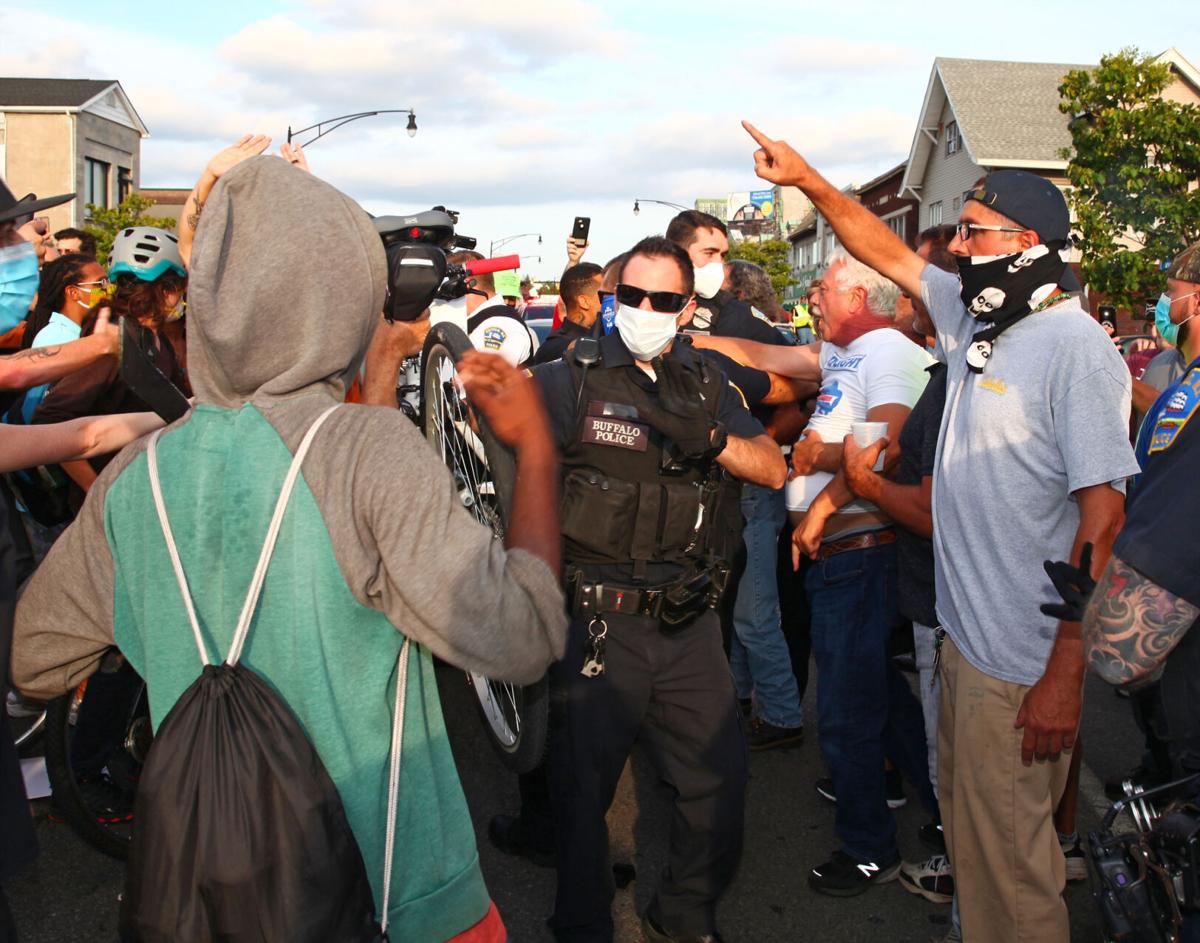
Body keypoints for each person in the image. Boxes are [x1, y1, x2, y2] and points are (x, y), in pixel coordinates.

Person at [13, 153, 568, 941]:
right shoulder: (366, 452)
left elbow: (36, 656)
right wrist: (535, 452)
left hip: (212, 895)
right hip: (397, 890)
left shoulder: (139, 476)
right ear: (342, 297)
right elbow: (520, 636)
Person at [740, 120, 1137, 941]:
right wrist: (809, 181)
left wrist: (1065, 668)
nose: (956, 246)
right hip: (965, 645)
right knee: (978, 852)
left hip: (1022, 666)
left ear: (1028, 245)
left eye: (974, 232)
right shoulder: (975, 319)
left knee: (1016, 880)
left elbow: (1104, 514)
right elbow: (884, 251)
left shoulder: (1076, 346)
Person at [529, 235, 785, 943]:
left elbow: (770, 467)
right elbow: (515, 474)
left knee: (718, 786)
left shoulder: (706, 380)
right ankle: (581, 925)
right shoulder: (567, 378)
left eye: (662, 300)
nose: (643, 309)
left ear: (687, 307)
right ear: (612, 299)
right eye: (630, 296)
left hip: (688, 620)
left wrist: (709, 437)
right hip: (596, 619)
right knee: (582, 797)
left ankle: (684, 913)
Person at [32, 226, 189, 499]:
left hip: (142, 487)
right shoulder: (113, 340)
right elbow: (50, 419)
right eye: (180, 288)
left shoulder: (157, 335)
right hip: (110, 497)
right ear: (165, 289)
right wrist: (97, 494)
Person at [666, 211, 788, 345]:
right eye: (709, 253)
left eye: (722, 255)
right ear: (676, 254)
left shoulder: (735, 315)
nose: (719, 263)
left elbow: (785, 355)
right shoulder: (643, 301)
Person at [13, 254, 110, 422]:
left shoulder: (79, 333)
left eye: (108, 282)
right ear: (73, 292)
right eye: (100, 284)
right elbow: (35, 410)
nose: (109, 289)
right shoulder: (56, 339)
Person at [533, 262, 603, 364]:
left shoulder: (605, 335)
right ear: (584, 301)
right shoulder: (557, 349)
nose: (612, 300)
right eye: (604, 294)